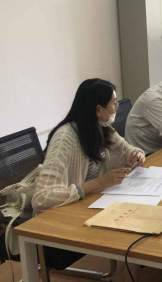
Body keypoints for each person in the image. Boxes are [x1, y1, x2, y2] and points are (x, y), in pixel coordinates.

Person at [32, 79, 146, 270]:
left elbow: (127, 149)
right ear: (98, 109)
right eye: (114, 104)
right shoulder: (65, 139)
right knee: (132, 232)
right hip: (61, 223)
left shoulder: (102, 128)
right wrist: (99, 183)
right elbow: (41, 198)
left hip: (90, 206)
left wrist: (138, 154)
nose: (116, 108)